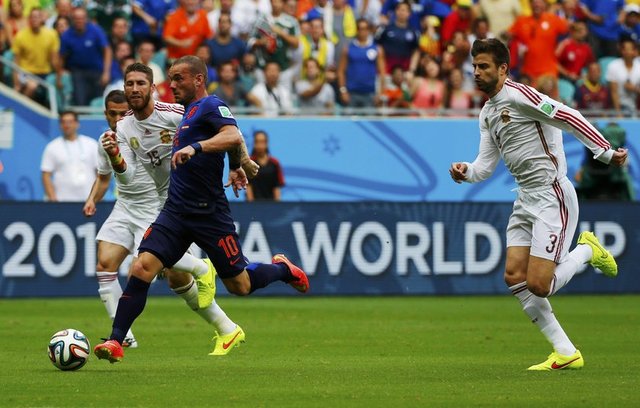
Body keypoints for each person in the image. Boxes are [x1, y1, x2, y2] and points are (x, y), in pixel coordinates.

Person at [93, 57, 309, 363]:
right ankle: (116, 341)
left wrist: (211, 152)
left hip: (210, 214)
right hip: (174, 211)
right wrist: (235, 164)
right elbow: (228, 141)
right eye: (171, 78)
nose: (172, 85)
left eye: (178, 79)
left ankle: (283, 269)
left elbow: (232, 135)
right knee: (141, 267)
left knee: (240, 285)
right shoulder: (174, 116)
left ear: (198, 79)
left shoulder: (208, 105)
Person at [449, 38, 627, 371]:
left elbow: (569, 116)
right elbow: (485, 166)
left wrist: (604, 151)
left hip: (552, 195)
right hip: (525, 197)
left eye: (483, 66)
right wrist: (466, 171)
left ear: (503, 69)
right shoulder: (487, 113)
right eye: (474, 66)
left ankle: (586, 251)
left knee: (539, 285)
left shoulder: (521, 97)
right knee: (514, 276)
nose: (476, 72)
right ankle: (565, 351)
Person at [83, 89, 242, 354]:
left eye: (122, 113)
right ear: (105, 114)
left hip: (156, 204)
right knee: (105, 263)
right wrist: (92, 199)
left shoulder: (170, 115)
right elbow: (105, 177)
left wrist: (241, 161)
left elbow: (226, 131)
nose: (118, 119)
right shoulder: (107, 140)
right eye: (112, 114)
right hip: (125, 205)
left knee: (171, 276)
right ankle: (124, 337)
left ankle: (220, 314)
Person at [58, 7, 112, 106]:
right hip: (78, 71)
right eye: (76, 18)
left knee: (98, 100)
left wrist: (106, 72)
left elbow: (107, 50)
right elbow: (61, 56)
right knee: (80, 100)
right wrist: (59, 76)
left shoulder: (96, 30)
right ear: (72, 20)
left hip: (96, 71)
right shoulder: (66, 35)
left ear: (86, 19)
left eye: (81, 18)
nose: (79, 21)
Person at [41, 111, 98, 202]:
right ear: (60, 125)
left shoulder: (91, 144)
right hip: (62, 201)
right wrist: (53, 199)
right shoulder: (52, 147)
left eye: (70, 122)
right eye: (64, 122)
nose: (67, 125)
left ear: (77, 124)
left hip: (89, 201)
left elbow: (100, 173)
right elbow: (46, 175)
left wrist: (96, 197)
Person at [11, 7, 60, 105]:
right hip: (25, 72)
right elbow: (16, 61)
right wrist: (16, 82)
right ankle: (20, 106)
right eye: (32, 17)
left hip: (45, 73)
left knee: (53, 85)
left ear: (42, 19)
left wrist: (59, 75)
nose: (35, 20)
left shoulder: (51, 34)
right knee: (32, 86)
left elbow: (54, 59)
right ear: (29, 19)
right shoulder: (21, 35)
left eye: (37, 17)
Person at [246, 130, 285, 201]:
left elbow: (277, 187)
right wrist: (251, 205)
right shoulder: (249, 163)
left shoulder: (275, 163)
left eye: (262, 142)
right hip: (254, 205)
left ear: (267, 143)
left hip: (271, 205)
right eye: (257, 142)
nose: (259, 145)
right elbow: (248, 186)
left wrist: (277, 205)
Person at [605, 38, 640, 118]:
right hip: (617, 106)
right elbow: (613, 92)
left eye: (629, 49)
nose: (626, 52)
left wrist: (634, 88)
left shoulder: (639, 67)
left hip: (635, 107)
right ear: (621, 51)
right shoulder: (613, 65)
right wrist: (618, 113)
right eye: (624, 49)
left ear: (634, 51)